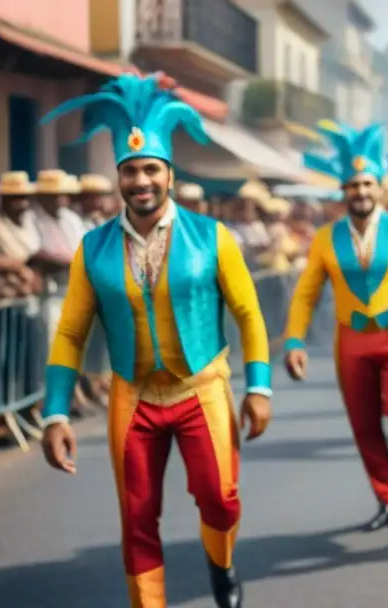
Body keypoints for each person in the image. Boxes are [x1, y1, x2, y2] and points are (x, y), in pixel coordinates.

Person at [38, 72, 273, 608]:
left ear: (169, 173)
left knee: (220, 498)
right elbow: (71, 333)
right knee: (137, 516)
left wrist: (259, 387)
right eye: (129, 170)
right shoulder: (92, 249)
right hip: (133, 396)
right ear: (118, 176)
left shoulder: (213, 237)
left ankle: (222, 560)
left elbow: (248, 312)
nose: (140, 180)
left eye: (150, 169)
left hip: (202, 389)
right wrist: (55, 414)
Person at [282, 122, 388, 531]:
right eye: (352, 185)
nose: (360, 191)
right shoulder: (325, 238)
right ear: (343, 190)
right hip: (351, 341)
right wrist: (294, 340)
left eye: (366, 183)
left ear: (380, 187)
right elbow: (305, 293)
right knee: (363, 424)